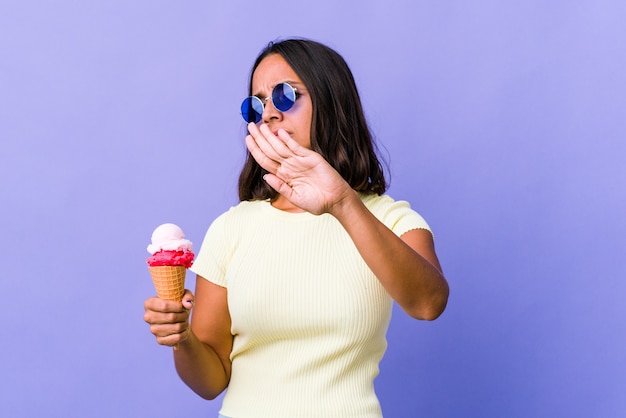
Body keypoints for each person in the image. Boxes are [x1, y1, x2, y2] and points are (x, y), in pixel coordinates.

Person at [144, 38, 449, 418]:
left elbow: (428, 304)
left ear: (332, 103)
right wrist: (182, 338)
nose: (269, 113)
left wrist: (341, 201)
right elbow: (212, 380)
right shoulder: (230, 229)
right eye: (255, 105)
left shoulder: (390, 219)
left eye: (285, 96)